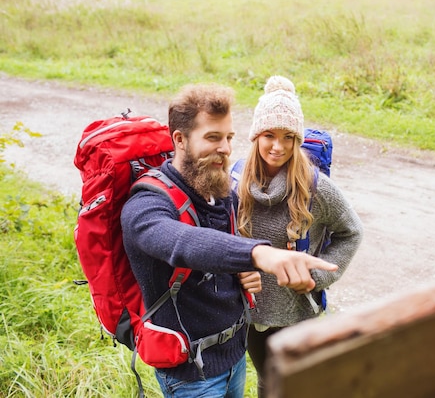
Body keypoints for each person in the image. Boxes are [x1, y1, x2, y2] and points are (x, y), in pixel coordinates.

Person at [120, 83, 338, 398]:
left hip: (234, 359)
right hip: (191, 375)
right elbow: (182, 243)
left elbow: (216, 255)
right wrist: (260, 255)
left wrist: (238, 272)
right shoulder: (146, 204)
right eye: (212, 137)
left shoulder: (214, 189)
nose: (225, 148)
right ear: (179, 140)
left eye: (229, 138)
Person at [234, 76, 364, 397]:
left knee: (291, 387)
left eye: (288, 137)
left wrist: (317, 275)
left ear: (297, 139)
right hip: (249, 312)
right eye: (269, 135)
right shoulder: (234, 180)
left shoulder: (315, 187)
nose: (278, 147)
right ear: (256, 136)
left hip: (298, 312)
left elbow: (351, 232)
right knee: (267, 380)